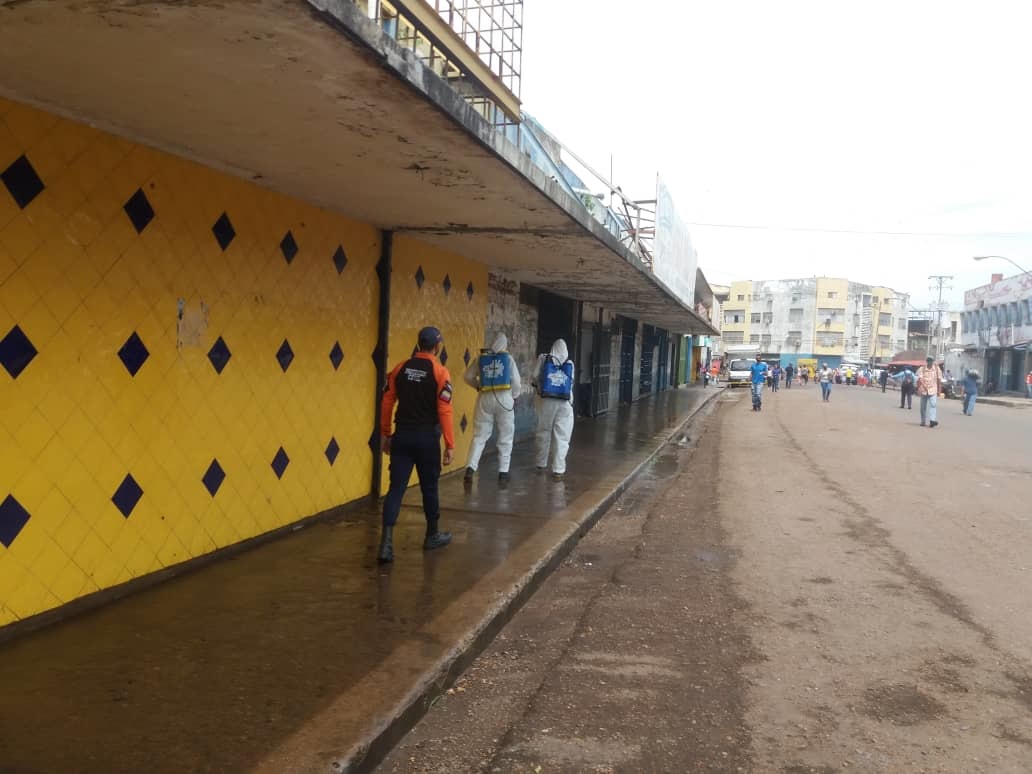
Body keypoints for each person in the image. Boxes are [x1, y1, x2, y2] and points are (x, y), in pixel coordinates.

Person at [377, 326, 455, 563]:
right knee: (429, 488)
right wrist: (450, 444)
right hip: (427, 440)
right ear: (437, 346)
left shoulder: (400, 368)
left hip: (402, 437)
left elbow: (387, 402)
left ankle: (386, 544)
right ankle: (432, 535)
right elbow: (445, 410)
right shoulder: (440, 372)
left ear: (419, 344)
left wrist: (385, 434)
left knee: (396, 489)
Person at [463, 333, 521, 484]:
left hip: (485, 398)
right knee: (506, 436)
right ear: (505, 344)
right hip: (505, 399)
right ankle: (503, 472)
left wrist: (478, 386)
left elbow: (467, 376)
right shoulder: (508, 359)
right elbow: (516, 382)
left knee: (479, 435)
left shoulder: (481, 358)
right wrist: (515, 396)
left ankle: (470, 467)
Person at [532, 338, 575, 481]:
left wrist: (539, 386)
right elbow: (570, 383)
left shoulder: (543, 358)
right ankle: (558, 470)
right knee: (562, 437)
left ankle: (541, 463)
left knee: (543, 432)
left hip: (545, 401)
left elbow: (534, 377)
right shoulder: (569, 364)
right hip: (564, 403)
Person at [915, 355, 943, 428]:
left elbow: (939, 380)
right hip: (924, 390)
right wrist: (918, 389)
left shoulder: (937, 369)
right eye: (928, 360)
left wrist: (939, 391)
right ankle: (923, 421)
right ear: (926, 361)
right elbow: (920, 379)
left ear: (933, 361)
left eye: (931, 360)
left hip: (933, 389)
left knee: (933, 405)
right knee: (922, 407)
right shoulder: (922, 368)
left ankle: (932, 421)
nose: (930, 362)